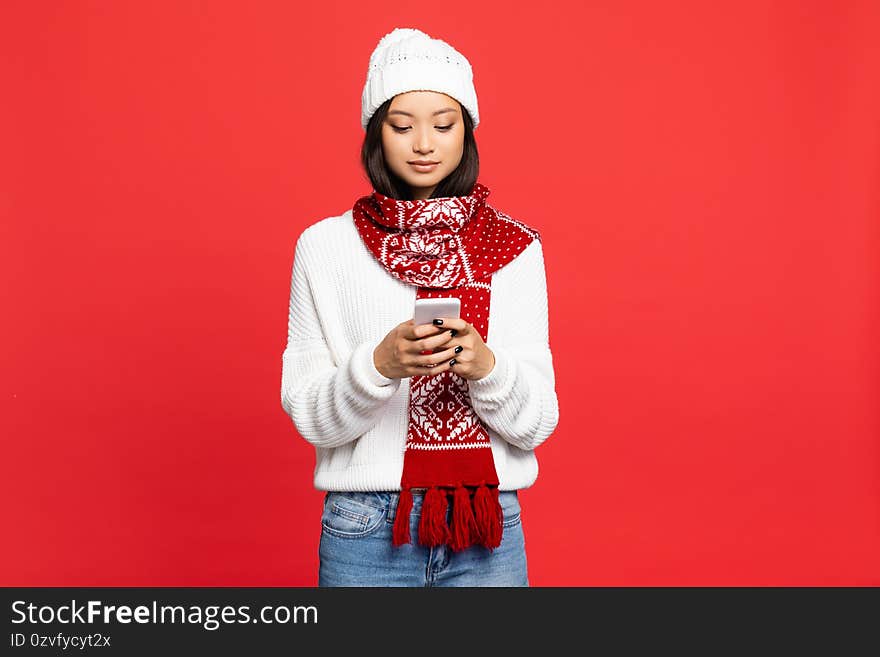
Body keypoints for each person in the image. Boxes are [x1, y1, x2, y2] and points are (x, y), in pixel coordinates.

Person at [280, 27, 559, 587]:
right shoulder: (325, 247)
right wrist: (378, 365)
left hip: (486, 526)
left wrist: (485, 367)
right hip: (365, 527)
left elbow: (537, 424)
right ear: (376, 134)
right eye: (403, 126)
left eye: (444, 124)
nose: (424, 144)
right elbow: (309, 416)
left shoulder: (513, 248)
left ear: (468, 132)